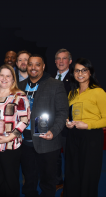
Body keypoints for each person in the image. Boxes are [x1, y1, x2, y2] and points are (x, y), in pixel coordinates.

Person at [18, 54, 68, 197]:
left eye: (37, 64)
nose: (33, 68)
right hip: (25, 141)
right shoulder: (20, 86)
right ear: (26, 67)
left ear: (43, 66)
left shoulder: (55, 84)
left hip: (47, 140)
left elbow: (63, 112)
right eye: (30, 64)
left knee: (48, 181)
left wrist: (54, 131)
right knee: (29, 178)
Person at [0, 65, 30, 197]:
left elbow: (24, 121)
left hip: (11, 146)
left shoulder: (19, 96)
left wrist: (8, 138)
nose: (4, 78)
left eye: (8, 75)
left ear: (13, 79)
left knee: (11, 181)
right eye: (1, 75)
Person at [63, 58, 106, 197]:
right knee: (72, 172)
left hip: (91, 137)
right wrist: (68, 122)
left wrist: (88, 125)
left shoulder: (98, 92)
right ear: (73, 73)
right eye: (77, 70)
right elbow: (70, 114)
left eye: (84, 70)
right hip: (73, 136)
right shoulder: (72, 93)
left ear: (90, 72)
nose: (80, 73)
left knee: (88, 174)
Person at [53, 48, 72, 193]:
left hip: (68, 126)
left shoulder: (74, 79)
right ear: (55, 62)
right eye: (58, 58)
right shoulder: (50, 79)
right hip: (53, 126)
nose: (61, 61)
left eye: (64, 58)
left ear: (70, 62)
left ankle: (70, 186)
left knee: (69, 157)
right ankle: (58, 181)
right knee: (55, 156)